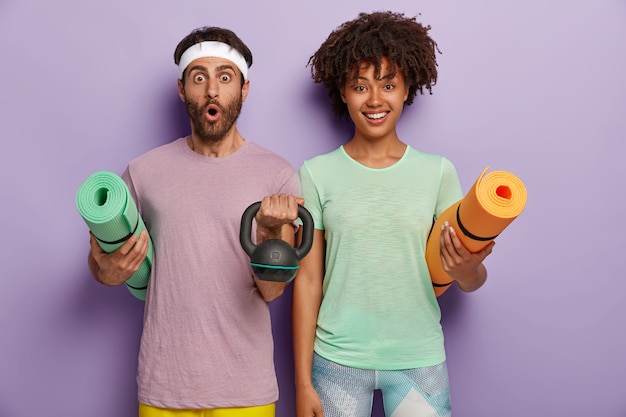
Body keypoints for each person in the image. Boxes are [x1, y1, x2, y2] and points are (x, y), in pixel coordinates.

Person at [87, 26, 302, 417]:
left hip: (245, 389)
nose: (212, 91)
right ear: (182, 89)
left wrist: (271, 229)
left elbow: (272, 292)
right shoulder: (143, 172)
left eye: (225, 77)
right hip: (164, 387)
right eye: (199, 77)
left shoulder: (277, 176)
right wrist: (107, 272)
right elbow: (101, 263)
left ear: (244, 88)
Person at [292, 11, 494, 417]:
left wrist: (470, 268)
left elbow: (463, 281)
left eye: (388, 85)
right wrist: (301, 382)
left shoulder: (438, 172)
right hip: (336, 359)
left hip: (418, 357)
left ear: (406, 90)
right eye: (360, 86)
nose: (374, 99)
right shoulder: (316, 173)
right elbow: (309, 280)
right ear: (343, 93)